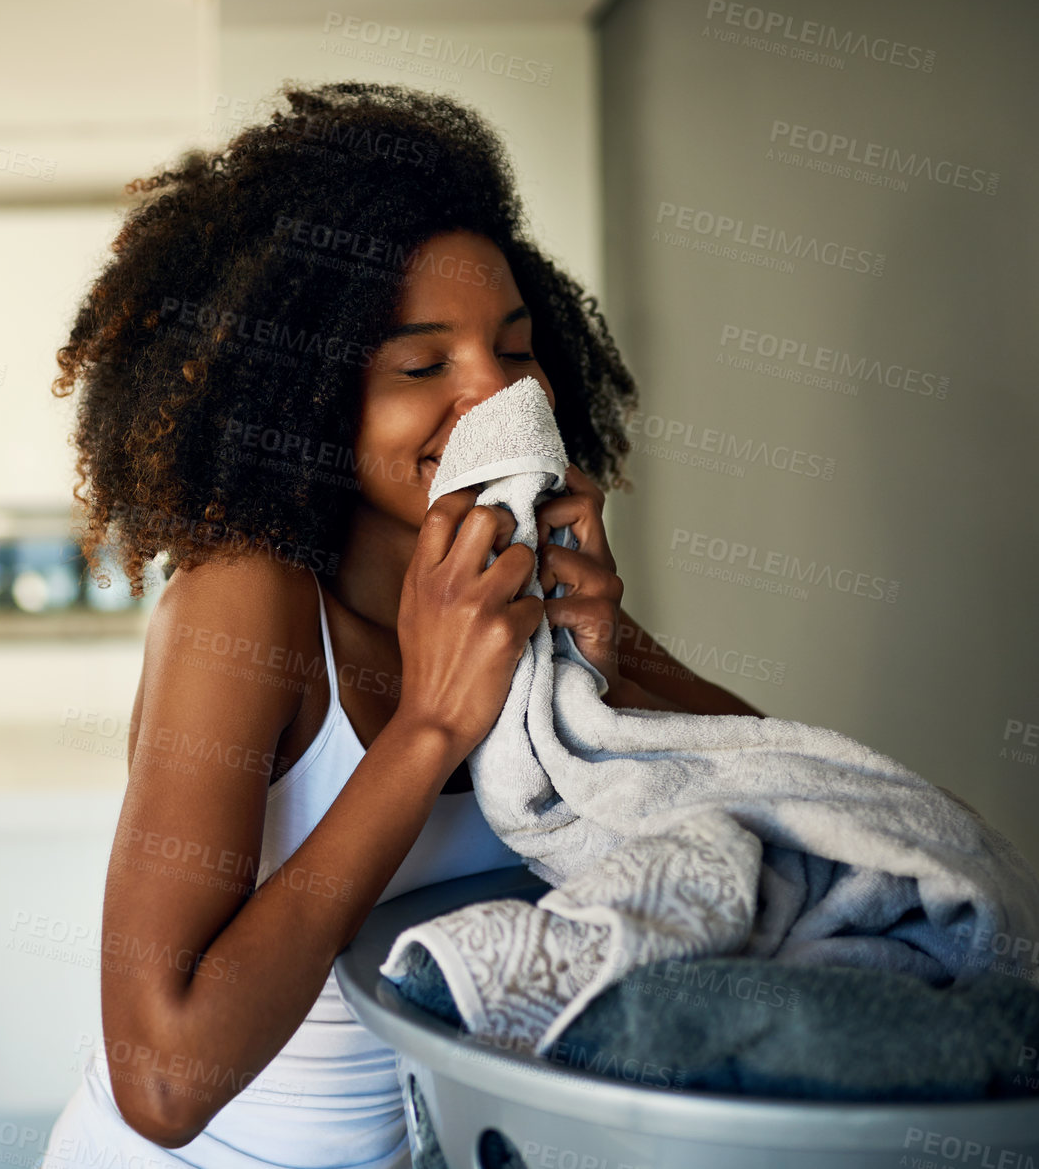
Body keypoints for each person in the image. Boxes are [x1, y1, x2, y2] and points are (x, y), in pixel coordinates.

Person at [38, 81, 763, 1169]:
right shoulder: (249, 604)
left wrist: (607, 666)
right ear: (307, 394)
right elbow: (161, 1080)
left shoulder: (527, 596)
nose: (494, 397)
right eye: (423, 365)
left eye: (515, 354)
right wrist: (426, 729)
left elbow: (794, 806)